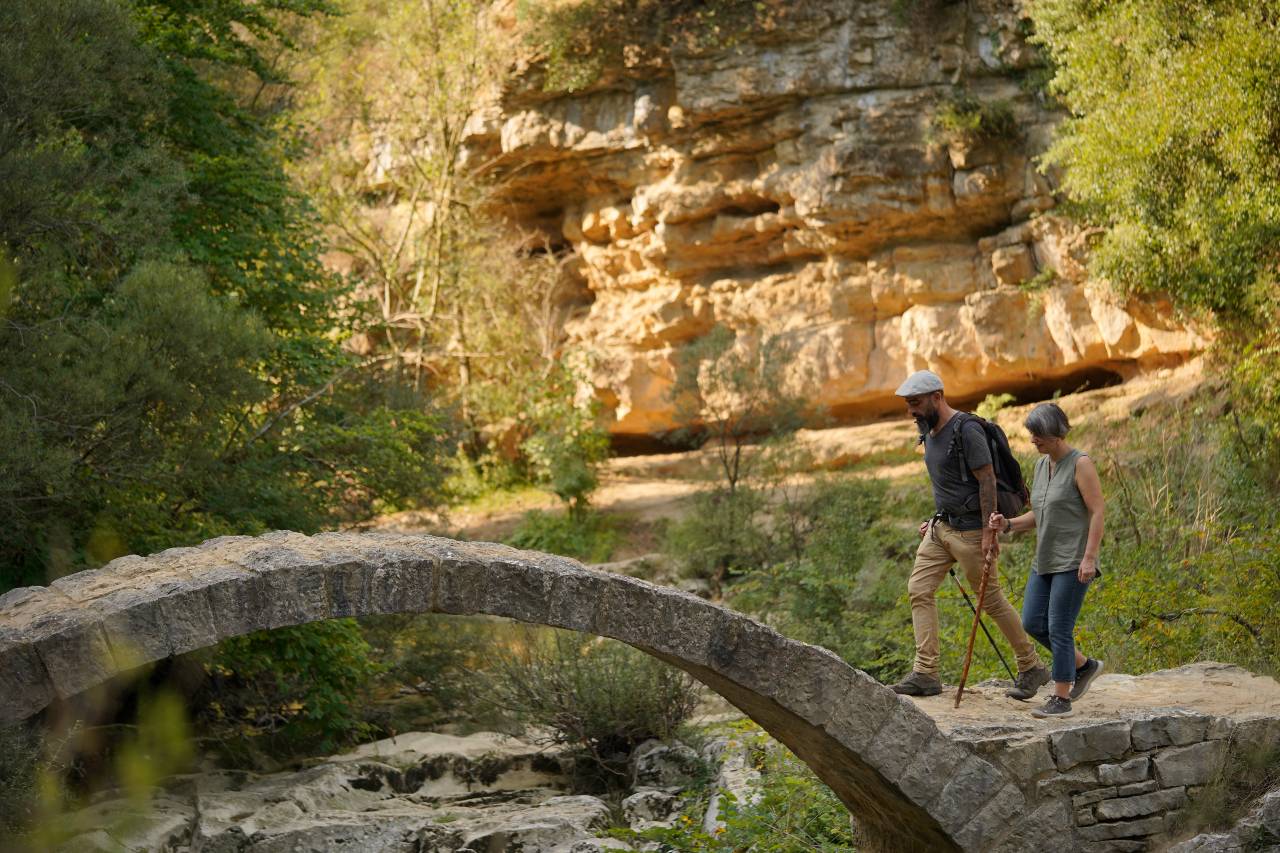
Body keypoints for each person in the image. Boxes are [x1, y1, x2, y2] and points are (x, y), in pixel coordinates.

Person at [889, 370, 1049, 699]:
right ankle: (925, 673)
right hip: (941, 528)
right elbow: (948, 482)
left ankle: (1031, 667)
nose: (912, 411)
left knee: (990, 599)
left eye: (916, 403)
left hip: (974, 531)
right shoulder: (928, 431)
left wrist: (990, 531)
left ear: (937, 396)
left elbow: (987, 479)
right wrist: (935, 520)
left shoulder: (968, 429)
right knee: (919, 589)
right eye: (908, 405)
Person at [988, 402, 1105, 718]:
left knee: (1059, 627)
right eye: (1032, 434)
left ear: (1056, 433)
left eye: (1037, 434)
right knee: (1032, 621)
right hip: (1046, 558)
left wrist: (1089, 558)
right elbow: (1040, 515)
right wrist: (1009, 524)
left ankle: (1062, 698)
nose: (1032, 440)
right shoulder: (1042, 466)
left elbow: (1097, 511)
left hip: (1073, 559)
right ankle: (1084, 665)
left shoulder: (1080, 464)